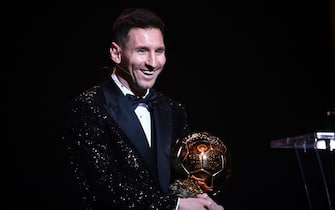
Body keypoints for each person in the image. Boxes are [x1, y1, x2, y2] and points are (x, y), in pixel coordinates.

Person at [61, 7, 225, 210]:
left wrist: (201, 200)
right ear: (116, 53)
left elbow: (180, 178)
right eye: (142, 51)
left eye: (159, 51)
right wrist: (176, 205)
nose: (152, 63)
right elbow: (103, 189)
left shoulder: (174, 110)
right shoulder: (87, 108)